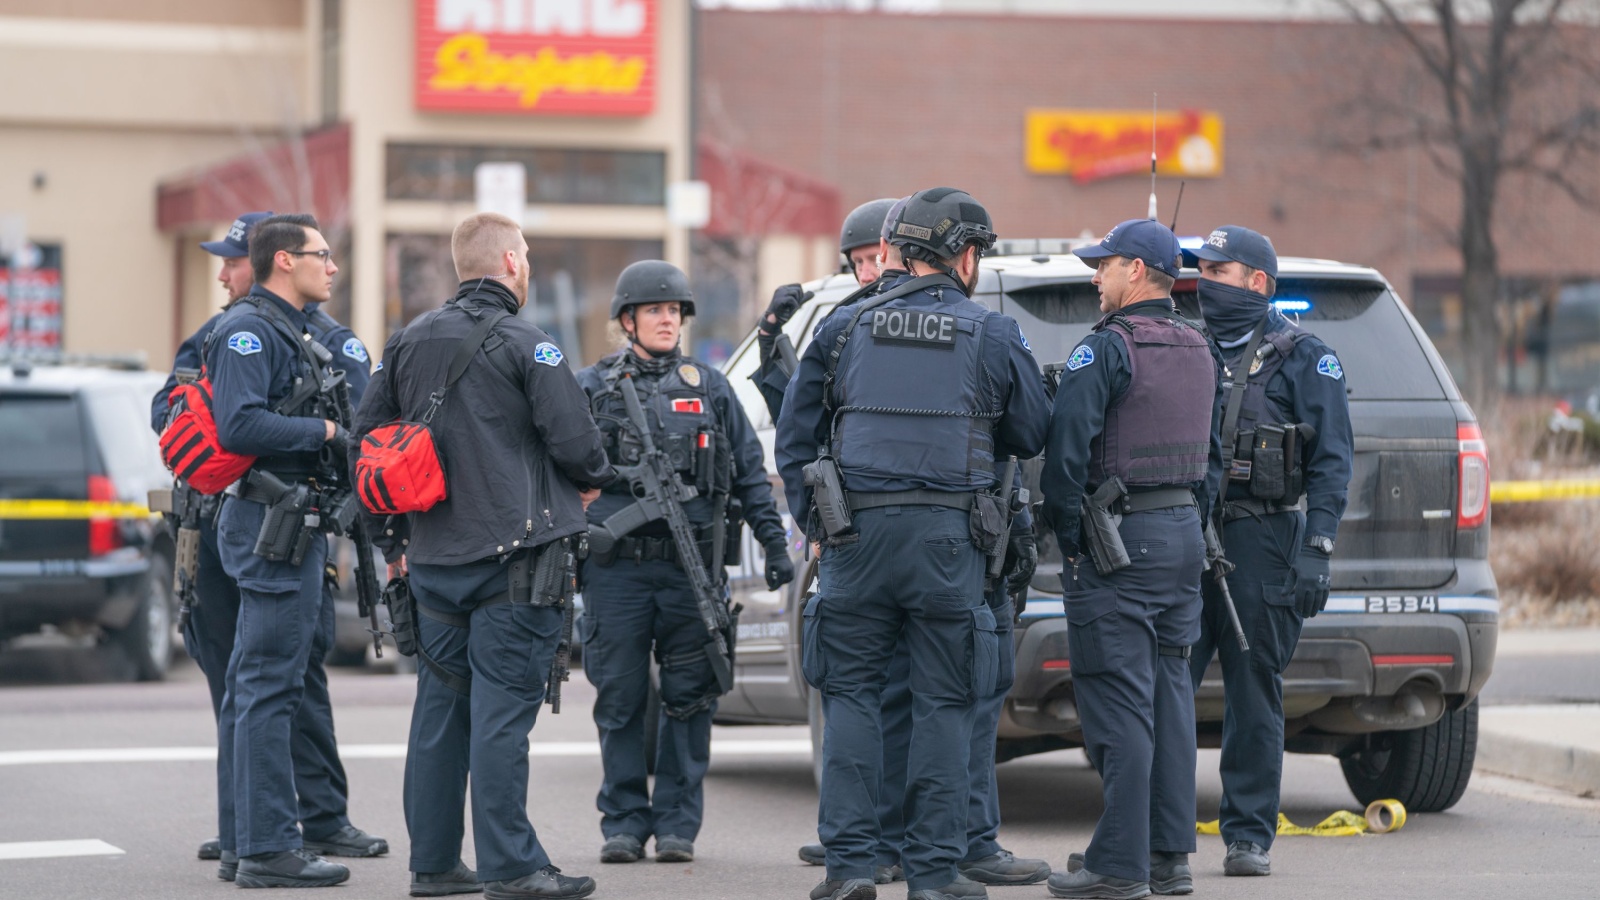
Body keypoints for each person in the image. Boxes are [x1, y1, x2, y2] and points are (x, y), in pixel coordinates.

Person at [776, 187, 1050, 900]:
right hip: (947, 545)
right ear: (964, 256)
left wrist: (822, 525)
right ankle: (933, 875)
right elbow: (1029, 432)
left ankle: (849, 870)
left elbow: (794, 439)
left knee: (854, 702)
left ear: (897, 252)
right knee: (942, 705)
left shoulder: (842, 327)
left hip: (854, 541)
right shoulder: (991, 333)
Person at [352, 212, 614, 900]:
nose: (525, 265)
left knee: (439, 714)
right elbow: (581, 447)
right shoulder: (532, 344)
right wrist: (584, 483)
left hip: (434, 562)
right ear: (506, 261)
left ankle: (434, 865)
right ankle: (512, 867)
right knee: (501, 718)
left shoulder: (405, 343)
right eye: (523, 255)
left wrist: (395, 545)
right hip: (516, 561)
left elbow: (367, 443)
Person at [151, 211, 385, 882]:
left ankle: (253, 841)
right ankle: (265, 849)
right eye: (321, 254)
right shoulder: (249, 329)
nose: (332, 266)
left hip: (279, 523)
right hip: (269, 526)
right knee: (264, 687)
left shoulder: (288, 330)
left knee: (267, 685)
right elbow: (241, 422)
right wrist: (329, 432)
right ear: (284, 260)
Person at [575, 259, 795, 866]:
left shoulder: (712, 387)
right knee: (618, 700)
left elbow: (750, 476)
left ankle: (676, 825)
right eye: (655, 310)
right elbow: (556, 470)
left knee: (690, 698)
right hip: (616, 570)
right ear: (628, 320)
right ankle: (622, 822)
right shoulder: (590, 387)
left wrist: (775, 546)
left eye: (674, 311)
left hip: (690, 571)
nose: (668, 320)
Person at [1038, 218, 1224, 899]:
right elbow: (1215, 458)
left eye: (1105, 265)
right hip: (1179, 538)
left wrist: (1072, 539)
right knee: (1171, 698)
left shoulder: (1106, 351)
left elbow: (1064, 461)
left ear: (1139, 272)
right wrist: (1190, 523)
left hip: (1117, 544)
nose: (1096, 276)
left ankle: (1119, 865)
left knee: (1118, 706)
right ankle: (1168, 857)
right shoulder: (1200, 347)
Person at [1185, 225, 1353, 878]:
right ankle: (1157, 830)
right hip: (1187, 536)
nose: (1205, 284)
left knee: (1254, 690)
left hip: (1264, 540)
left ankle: (1248, 835)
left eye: (1219, 274)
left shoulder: (1305, 357)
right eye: (1201, 272)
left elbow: (1333, 461)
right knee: (1168, 685)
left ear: (1258, 283)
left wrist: (1318, 546)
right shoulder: (1185, 345)